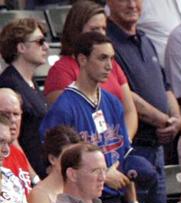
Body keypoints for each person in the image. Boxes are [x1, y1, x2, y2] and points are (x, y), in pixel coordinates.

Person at [39, 32, 149, 203]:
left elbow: (123, 159)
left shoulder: (113, 102)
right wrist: (104, 176)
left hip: (117, 201)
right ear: (82, 59)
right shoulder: (64, 108)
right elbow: (56, 166)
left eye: (112, 59)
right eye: (102, 58)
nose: (109, 66)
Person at [107, 0, 181, 203]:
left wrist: (176, 117)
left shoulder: (144, 38)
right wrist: (163, 120)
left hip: (157, 147)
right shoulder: (107, 43)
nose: (132, 4)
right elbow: (121, 92)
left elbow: (165, 85)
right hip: (133, 148)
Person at [44, 1, 137, 141]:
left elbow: (129, 111)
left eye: (103, 28)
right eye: (94, 29)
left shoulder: (111, 64)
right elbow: (65, 123)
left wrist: (123, 142)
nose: (101, 34)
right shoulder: (61, 70)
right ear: (76, 31)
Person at [0, 18, 51, 176]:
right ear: (21, 47)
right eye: (39, 41)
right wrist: (33, 178)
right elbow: (12, 138)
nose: (46, 46)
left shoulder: (30, 81)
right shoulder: (9, 84)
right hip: (24, 173)